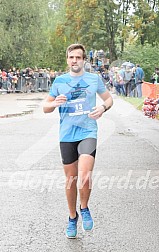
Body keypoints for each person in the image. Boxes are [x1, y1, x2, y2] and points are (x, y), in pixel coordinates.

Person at [43, 43, 113, 238]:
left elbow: (108, 99)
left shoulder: (93, 79)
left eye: (78, 57)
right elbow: (45, 107)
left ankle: (84, 208)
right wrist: (54, 103)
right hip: (66, 135)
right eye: (72, 57)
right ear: (67, 59)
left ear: (84, 60)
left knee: (84, 175)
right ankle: (72, 217)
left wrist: (103, 108)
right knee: (71, 180)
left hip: (87, 131)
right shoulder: (59, 81)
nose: (75, 61)